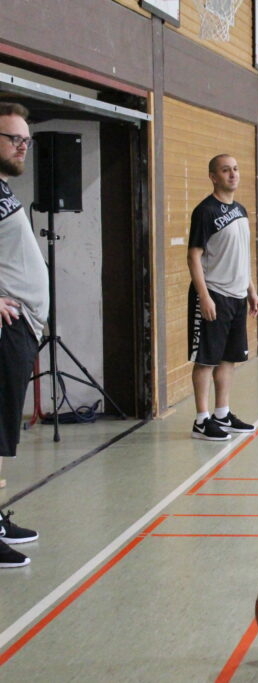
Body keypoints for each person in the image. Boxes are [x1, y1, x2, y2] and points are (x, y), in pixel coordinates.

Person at [187, 154, 258, 440]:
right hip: (214, 294)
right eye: (225, 170)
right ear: (213, 176)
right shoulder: (205, 211)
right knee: (206, 360)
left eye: (235, 169)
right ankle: (201, 420)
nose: (233, 174)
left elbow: (241, 256)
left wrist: (251, 292)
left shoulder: (240, 210)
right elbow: (193, 256)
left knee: (229, 359)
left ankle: (222, 414)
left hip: (237, 297)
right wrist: (204, 296)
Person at [0, 103, 43, 568]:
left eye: (25, 140)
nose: (22, 147)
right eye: (14, 139)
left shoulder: (4, 189)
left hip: (21, 327)